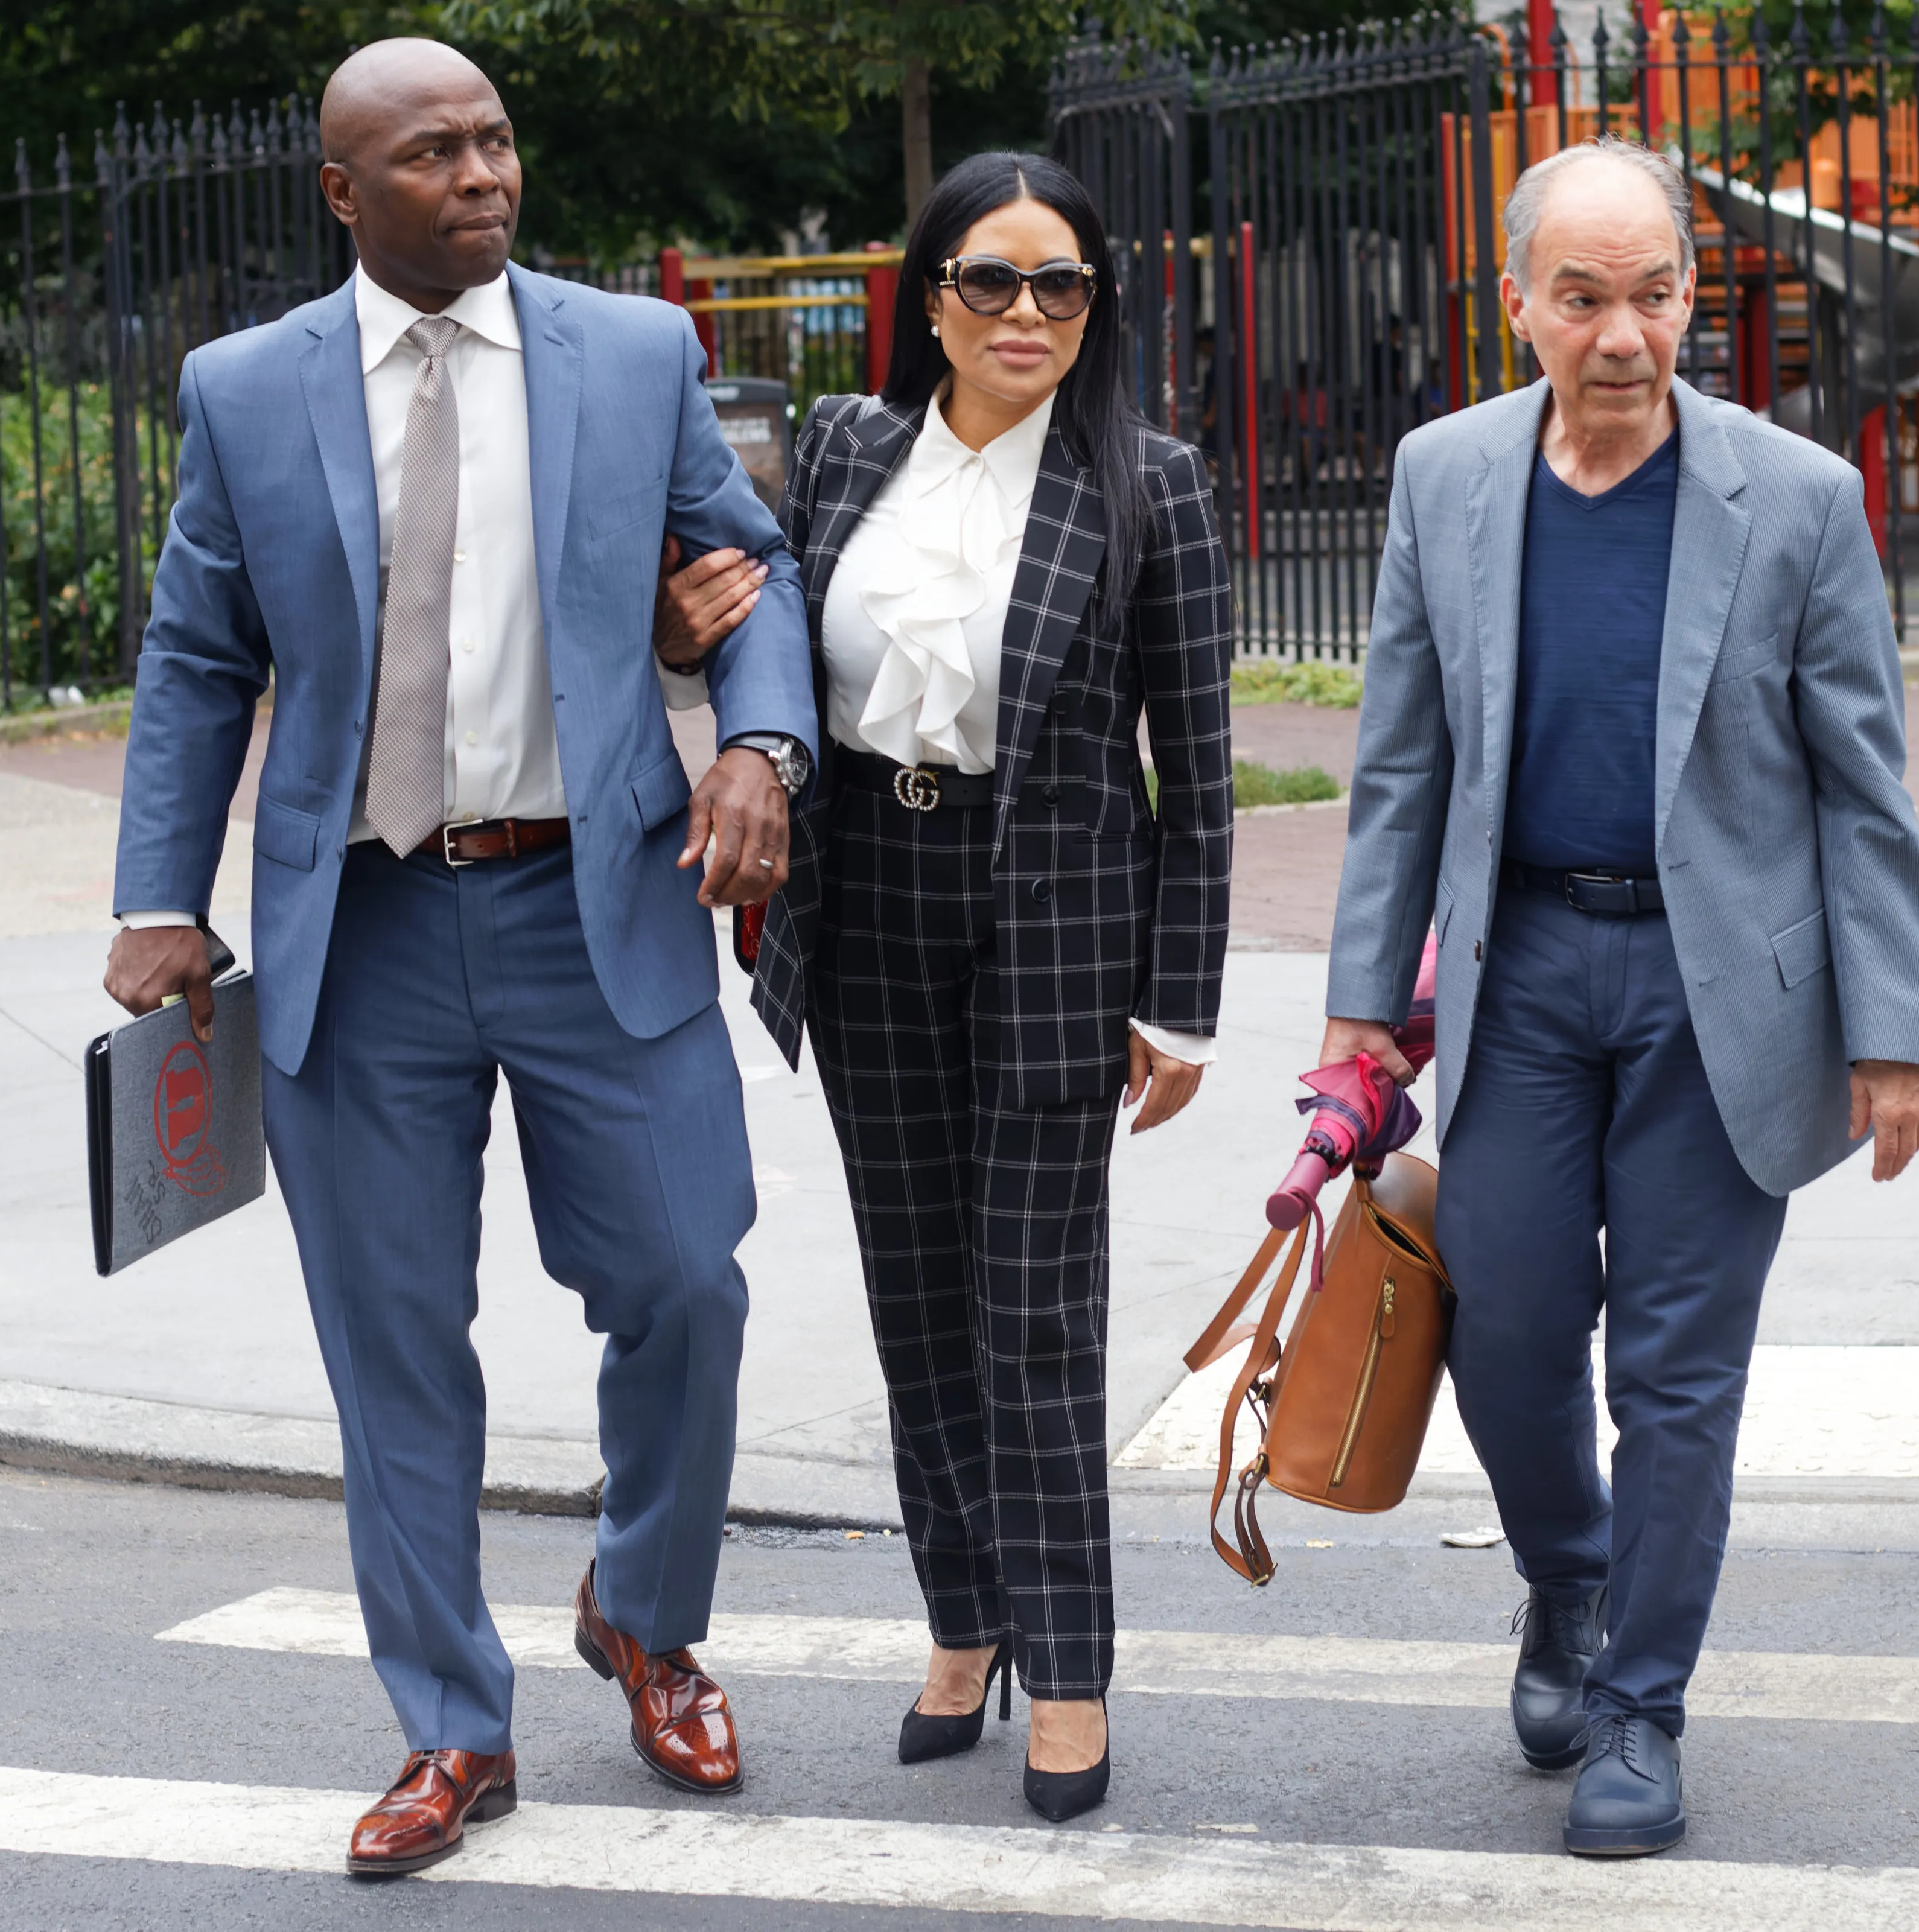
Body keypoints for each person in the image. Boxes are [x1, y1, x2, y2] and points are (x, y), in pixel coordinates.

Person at [101, 39, 818, 1878]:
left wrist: (757, 746)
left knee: (686, 1275)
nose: (480, 174)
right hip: (365, 924)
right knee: (394, 1345)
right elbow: (197, 652)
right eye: (432, 153)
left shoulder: (632, 354)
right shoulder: (247, 391)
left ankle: (645, 1612)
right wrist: (159, 891)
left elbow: (751, 573)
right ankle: (450, 1722)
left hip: (597, 900)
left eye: (495, 141)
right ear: (345, 192)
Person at [1322, 136, 1919, 1858]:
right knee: (1510, 1327)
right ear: (1517, 298)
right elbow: (1399, 766)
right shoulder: (1444, 476)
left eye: (1654, 294)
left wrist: (1897, 1030)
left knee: (1679, 1371)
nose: (1621, 333)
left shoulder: (1798, 498)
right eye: (1583, 296)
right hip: (1520, 973)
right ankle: (1568, 1581)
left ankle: (1642, 1706)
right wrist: (1366, 1007)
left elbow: (1862, 786)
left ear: (1690, 296)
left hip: (1720, 992)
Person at [654, 150, 1233, 1825]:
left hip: (1054, 925)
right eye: (992, 280)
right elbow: (750, 625)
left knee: (1033, 1315)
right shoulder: (844, 447)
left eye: (1062, 285)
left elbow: (1193, 780)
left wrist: (1177, 998)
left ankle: (1069, 1667)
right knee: (918, 1301)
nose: (1028, 313)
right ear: (933, 296)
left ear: (1096, 305)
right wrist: (694, 640)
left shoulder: (1151, 486)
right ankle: (961, 1619)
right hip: (873, 910)